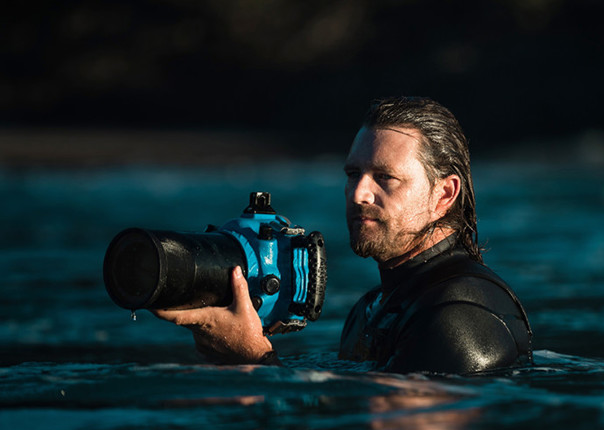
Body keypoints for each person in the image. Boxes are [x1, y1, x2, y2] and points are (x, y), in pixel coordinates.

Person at [151, 96, 533, 375]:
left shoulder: (458, 316)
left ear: (445, 194)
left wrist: (252, 359)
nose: (359, 194)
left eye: (384, 177)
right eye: (353, 175)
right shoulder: (370, 310)